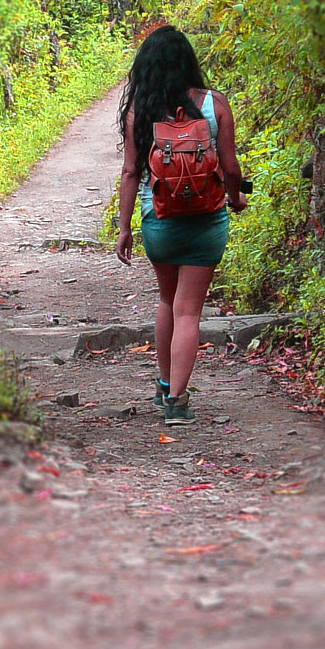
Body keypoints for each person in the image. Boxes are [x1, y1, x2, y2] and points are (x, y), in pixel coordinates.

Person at [115, 26, 247, 425]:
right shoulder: (215, 104)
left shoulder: (140, 109)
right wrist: (236, 196)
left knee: (168, 301)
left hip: (159, 221)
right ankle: (177, 401)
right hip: (207, 220)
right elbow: (230, 167)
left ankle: (163, 383)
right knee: (190, 311)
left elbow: (129, 173)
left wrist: (124, 229)